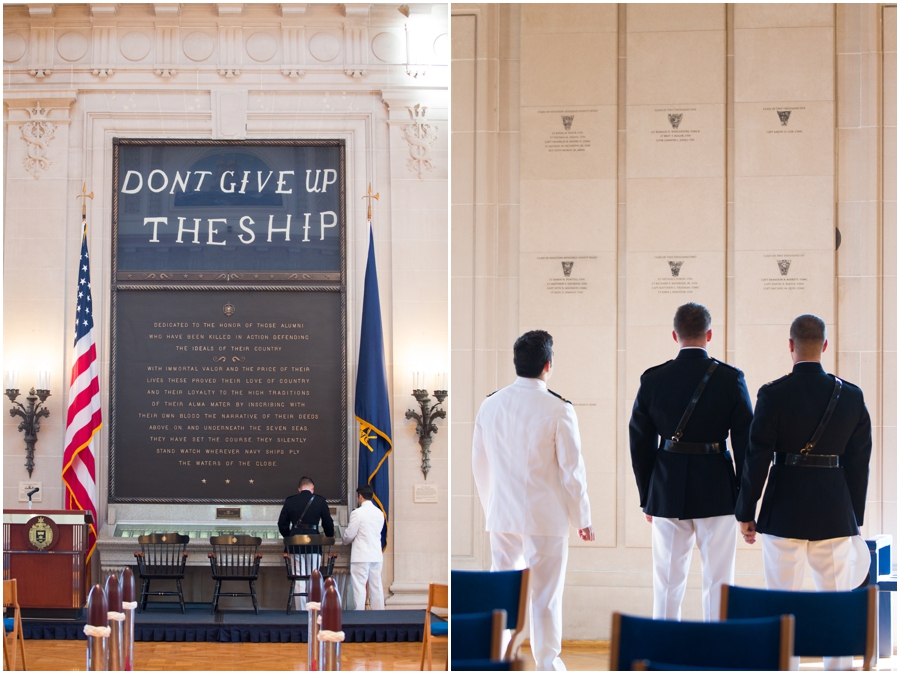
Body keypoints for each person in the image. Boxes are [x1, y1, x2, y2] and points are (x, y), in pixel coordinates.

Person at [736, 314, 871, 670]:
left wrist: (746, 512)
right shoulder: (852, 397)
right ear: (824, 346)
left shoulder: (773, 393)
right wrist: (853, 518)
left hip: (784, 511)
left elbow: (756, 457)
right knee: (836, 603)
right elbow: (859, 465)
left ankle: (785, 667)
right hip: (834, 513)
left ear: (790, 345)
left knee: (782, 605)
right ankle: (837, 667)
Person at [472, 329, 594, 672]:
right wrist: (582, 517)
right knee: (545, 597)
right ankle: (547, 665)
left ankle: (498, 661)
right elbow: (573, 471)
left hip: (502, 516)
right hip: (545, 519)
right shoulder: (559, 409)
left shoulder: (489, 404)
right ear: (548, 365)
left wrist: (491, 507)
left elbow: (479, 464)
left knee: (502, 594)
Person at [629, 302, 753, 622]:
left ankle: (666, 654)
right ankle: (716, 656)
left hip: (668, 491)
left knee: (667, 583)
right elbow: (746, 446)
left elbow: (640, 444)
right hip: (718, 490)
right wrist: (744, 499)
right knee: (720, 582)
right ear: (709, 334)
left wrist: (648, 498)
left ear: (675, 335)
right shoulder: (730, 378)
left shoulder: (653, 379)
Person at [277, 476, 335, 610]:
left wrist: (289, 537)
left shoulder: (290, 501)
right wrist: (329, 536)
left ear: (299, 489)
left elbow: (282, 524)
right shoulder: (320, 501)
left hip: (295, 544)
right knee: (314, 577)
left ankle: (301, 610)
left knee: (299, 577)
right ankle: (313, 608)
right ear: (312, 488)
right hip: (314, 543)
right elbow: (327, 522)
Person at [342, 485, 386, 610]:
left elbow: (349, 534)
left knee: (359, 587)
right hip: (376, 555)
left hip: (361, 555)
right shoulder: (379, 513)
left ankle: (359, 615)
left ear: (360, 496)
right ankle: (379, 614)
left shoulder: (357, 513)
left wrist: (344, 540)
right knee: (376, 586)